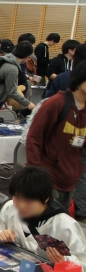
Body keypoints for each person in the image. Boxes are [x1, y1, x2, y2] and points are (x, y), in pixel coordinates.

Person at [0, 166, 86, 272]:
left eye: (28, 201)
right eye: (17, 198)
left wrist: (64, 261)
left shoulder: (64, 225)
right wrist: (1, 234)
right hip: (17, 268)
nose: (21, 205)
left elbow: (83, 264)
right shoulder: (10, 207)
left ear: (46, 199)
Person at [27, 62, 86, 208]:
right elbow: (34, 137)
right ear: (80, 79)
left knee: (61, 218)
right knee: (44, 219)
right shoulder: (57, 103)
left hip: (70, 178)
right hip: (48, 177)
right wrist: (36, 173)